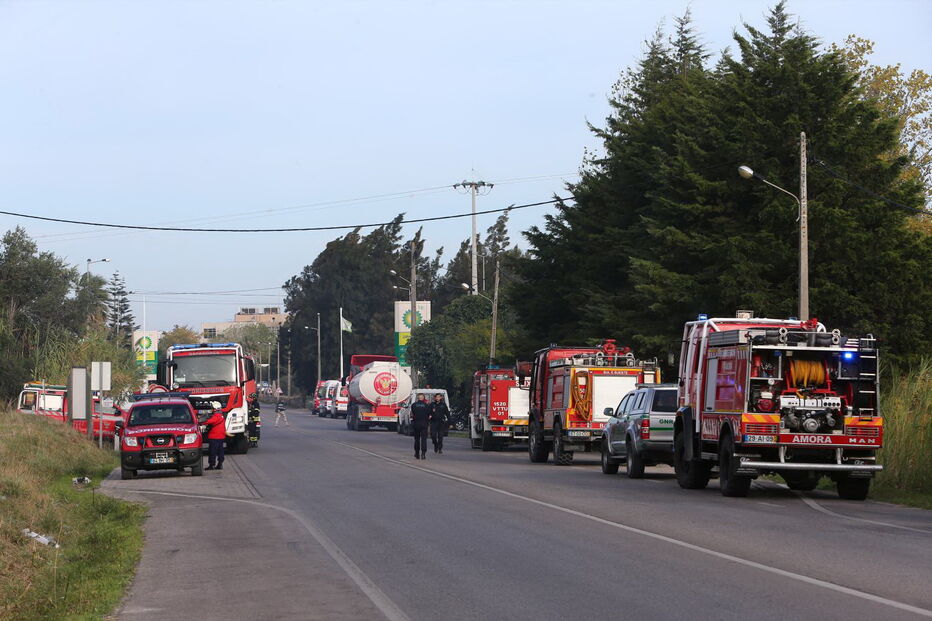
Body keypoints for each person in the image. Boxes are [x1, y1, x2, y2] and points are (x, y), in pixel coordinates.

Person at [204, 403, 226, 471]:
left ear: (215, 409)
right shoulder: (221, 415)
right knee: (220, 450)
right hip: (221, 436)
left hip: (214, 436)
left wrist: (202, 421)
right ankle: (220, 463)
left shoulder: (216, 416)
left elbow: (209, 421)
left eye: (212, 408)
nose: (211, 409)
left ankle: (212, 465)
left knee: (212, 451)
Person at [410, 394, 431, 460]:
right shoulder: (427, 405)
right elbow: (429, 415)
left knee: (417, 439)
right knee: (424, 439)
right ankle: (423, 454)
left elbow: (412, 413)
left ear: (418, 398)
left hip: (416, 423)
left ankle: (417, 453)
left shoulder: (413, 405)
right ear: (423, 398)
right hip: (424, 424)